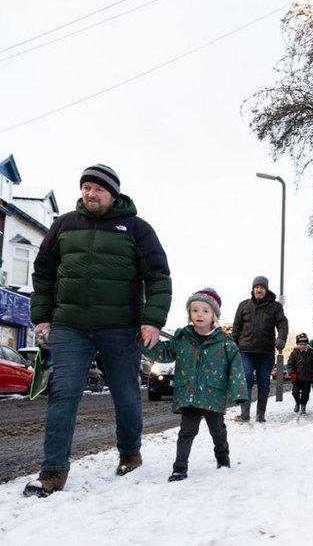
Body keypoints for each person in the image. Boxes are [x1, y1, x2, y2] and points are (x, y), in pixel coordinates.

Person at [24, 164, 172, 497]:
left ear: (113, 193)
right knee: (63, 393)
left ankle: (130, 453)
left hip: (121, 327)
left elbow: (159, 277)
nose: (91, 194)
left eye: (98, 189)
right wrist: (42, 317)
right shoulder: (64, 225)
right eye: (86, 187)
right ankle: (53, 471)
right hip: (70, 326)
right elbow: (43, 274)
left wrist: (152, 321)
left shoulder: (136, 228)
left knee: (126, 394)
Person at [142, 288, 248, 481]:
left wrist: (239, 392)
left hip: (213, 396)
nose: (199, 314)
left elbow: (236, 368)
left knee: (218, 431)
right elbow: (164, 353)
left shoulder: (225, 342)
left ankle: (223, 460)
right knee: (186, 432)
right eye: (195, 310)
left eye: (205, 311)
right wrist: (147, 342)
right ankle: (179, 468)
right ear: (189, 314)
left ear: (214, 316)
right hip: (188, 395)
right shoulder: (182, 338)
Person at [231, 276, 288, 423]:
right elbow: (236, 328)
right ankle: (244, 415)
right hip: (245, 351)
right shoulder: (243, 305)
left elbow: (282, 323)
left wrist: (281, 338)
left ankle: (260, 414)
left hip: (266, 351)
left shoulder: (275, 307)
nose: (259, 290)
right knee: (247, 378)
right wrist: (233, 346)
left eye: (262, 287)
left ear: (266, 289)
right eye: (256, 287)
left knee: (264, 383)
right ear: (253, 289)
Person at [286, 333, 313, 414]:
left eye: (304, 344)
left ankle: (303, 405)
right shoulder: (294, 353)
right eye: (300, 344)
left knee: (305, 394)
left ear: (307, 344)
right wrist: (292, 373)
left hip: (307, 378)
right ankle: (297, 403)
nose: (302, 346)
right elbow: (290, 364)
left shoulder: (311, 353)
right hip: (296, 377)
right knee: (295, 392)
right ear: (298, 345)